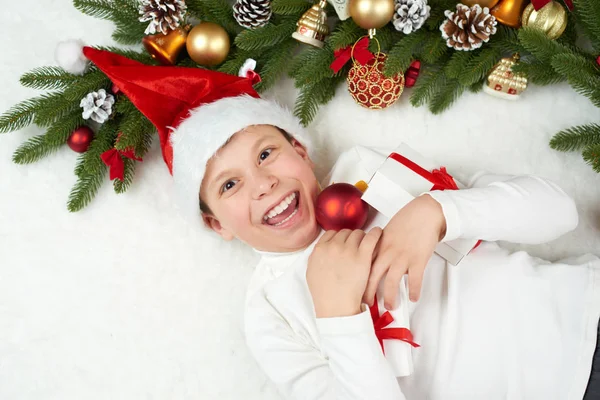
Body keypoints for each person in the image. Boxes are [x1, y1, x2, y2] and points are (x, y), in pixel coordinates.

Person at [84, 47, 600, 399]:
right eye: (229, 185)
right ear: (217, 225)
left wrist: (440, 211)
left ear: (301, 151)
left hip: (585, 309)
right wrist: (338, 317)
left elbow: (561, 212)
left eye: (266, 153)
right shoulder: (271, 316)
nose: (262, 183)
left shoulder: (370, 173)